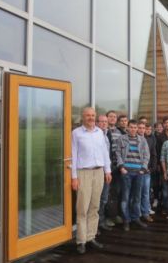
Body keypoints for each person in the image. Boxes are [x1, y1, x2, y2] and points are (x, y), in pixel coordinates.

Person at [72, 107, 112, 254]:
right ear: (83, 117)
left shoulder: (100, 132)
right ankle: (81, 240)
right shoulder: (76, 133)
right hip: (84, 173)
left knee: (94, 207)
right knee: (82, 208)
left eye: (92, 115)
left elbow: (104, 152)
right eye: (88, 115)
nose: (90, 117)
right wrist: (74, 177)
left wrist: (107, 170)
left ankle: (91, 237)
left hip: (99, 172)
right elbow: (73, 155)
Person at [116, 120, 150, 231]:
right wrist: (121, 167)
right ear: (127, 128)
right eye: (131, 127)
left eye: (135, 127)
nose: (133, 129)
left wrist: (143, 168)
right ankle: (126, 220)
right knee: (125, 197)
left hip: (138, 172)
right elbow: (117, 153)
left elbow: (146, 155)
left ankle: (136, 218)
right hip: (126, 172)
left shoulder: (142, 140)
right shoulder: (122, 139)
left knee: (137, 196)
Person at [97, 114, 114, 232]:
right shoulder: (95, 135)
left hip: (106, 171)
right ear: (97, 123)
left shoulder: (107, 136)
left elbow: (107, 155)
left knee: (104, 198)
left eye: (105, 122)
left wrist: (108, 170)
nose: (104, 124)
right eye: (101, 122)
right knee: (95, 199)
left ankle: (100, 222)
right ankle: (94, 225)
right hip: (97, 171)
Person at [137, 122, 157, 222]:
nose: (141, 130)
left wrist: (151, 168)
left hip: (146, 171)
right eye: (139, 128)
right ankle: (137, 213)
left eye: (143, 128)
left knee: (145, 192)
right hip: (135, 171)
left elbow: (153, 155)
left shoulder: (149, 140)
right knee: (136, 193)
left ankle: (145, 212)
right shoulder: (132, 139)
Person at [106, 110, 123, 225]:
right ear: (107, 118)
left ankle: (114, 214)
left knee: (116, 192)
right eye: (110, 116)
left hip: (117, 166)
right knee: (106, 193)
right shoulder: (103, 131)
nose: (112, 118)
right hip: (106, 166)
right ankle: (106, 217)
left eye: (114, 117)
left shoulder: (119, 132)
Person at [156, 116, 168, 213]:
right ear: (163, 125)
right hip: (164, 166)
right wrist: (159, 165)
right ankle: (166, 207)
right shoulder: (160, 137)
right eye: (166, 123)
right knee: (165, 188)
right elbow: (158, 152)